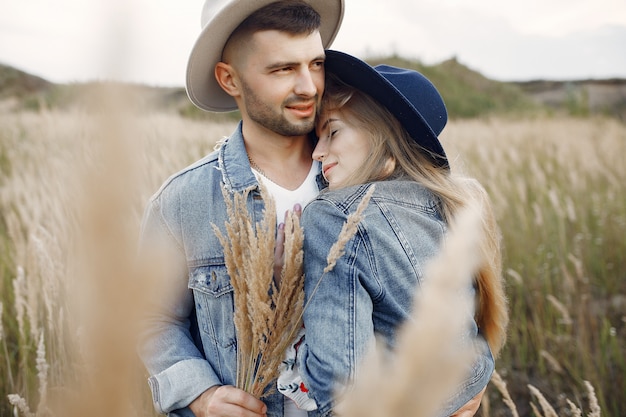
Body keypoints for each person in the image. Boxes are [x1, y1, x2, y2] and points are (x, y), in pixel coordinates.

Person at [137, 1, 344, 417]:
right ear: (229, 78)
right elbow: (150, 319)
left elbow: (438, 294)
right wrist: (202, 395)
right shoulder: (183, 201)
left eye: (316, 64)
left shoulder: (365, 181)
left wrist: (466, 378)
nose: (308, 87)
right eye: (282, 69)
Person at [290, 50, 509, 417]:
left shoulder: (335, 217)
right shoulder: (452, 204)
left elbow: (339, 392)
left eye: (333, 132)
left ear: (383, 136)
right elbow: (473, 346)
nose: (317, 153)